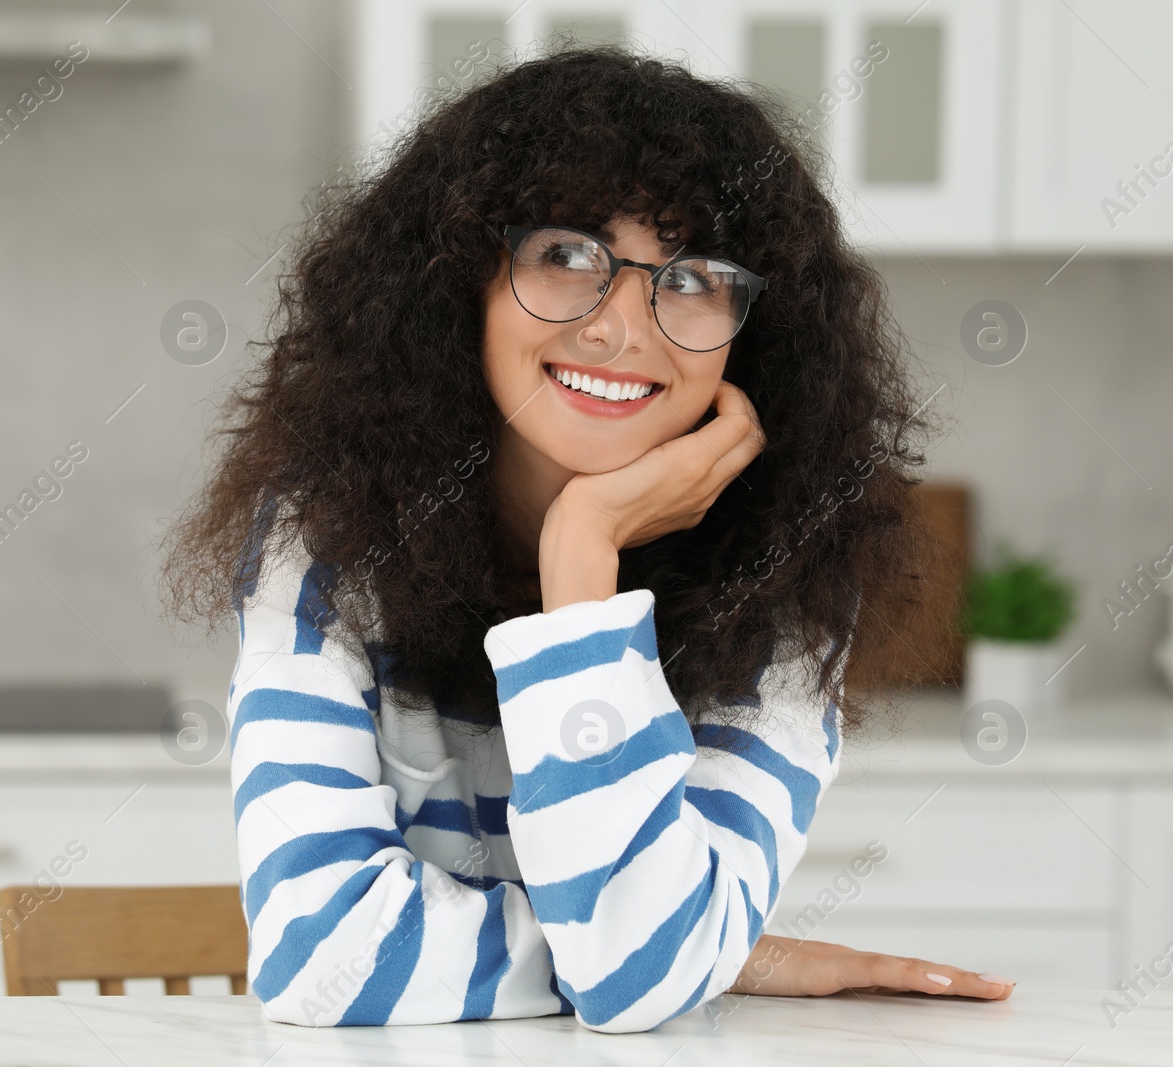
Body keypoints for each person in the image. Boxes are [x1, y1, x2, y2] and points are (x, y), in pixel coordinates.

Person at [161, 44, 1014, 1033]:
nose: (622, 327)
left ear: (751, 330)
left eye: (692, 276)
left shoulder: (787, 572)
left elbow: (640, 977)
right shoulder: (322, 536)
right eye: (567, 255)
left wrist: (582, 553)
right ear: (460, 283)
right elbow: (326, 959)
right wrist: (699, 950)